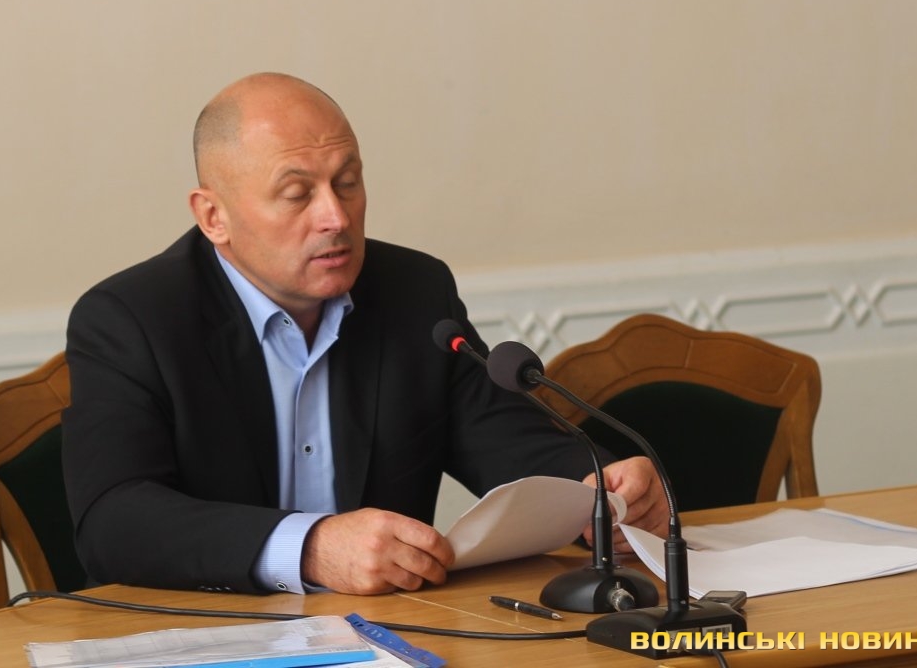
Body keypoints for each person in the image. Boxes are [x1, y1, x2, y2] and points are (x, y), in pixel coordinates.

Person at [61, 72, 669, 597]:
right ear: (213, 216)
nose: (335, 216)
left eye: (347, 182)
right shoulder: (131, 319)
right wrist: (309, 547)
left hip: (392, 633)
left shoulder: (414, 291)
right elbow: (114, 522)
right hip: (204, 636)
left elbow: (510, 446)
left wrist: (600, 492)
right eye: (297, 194)